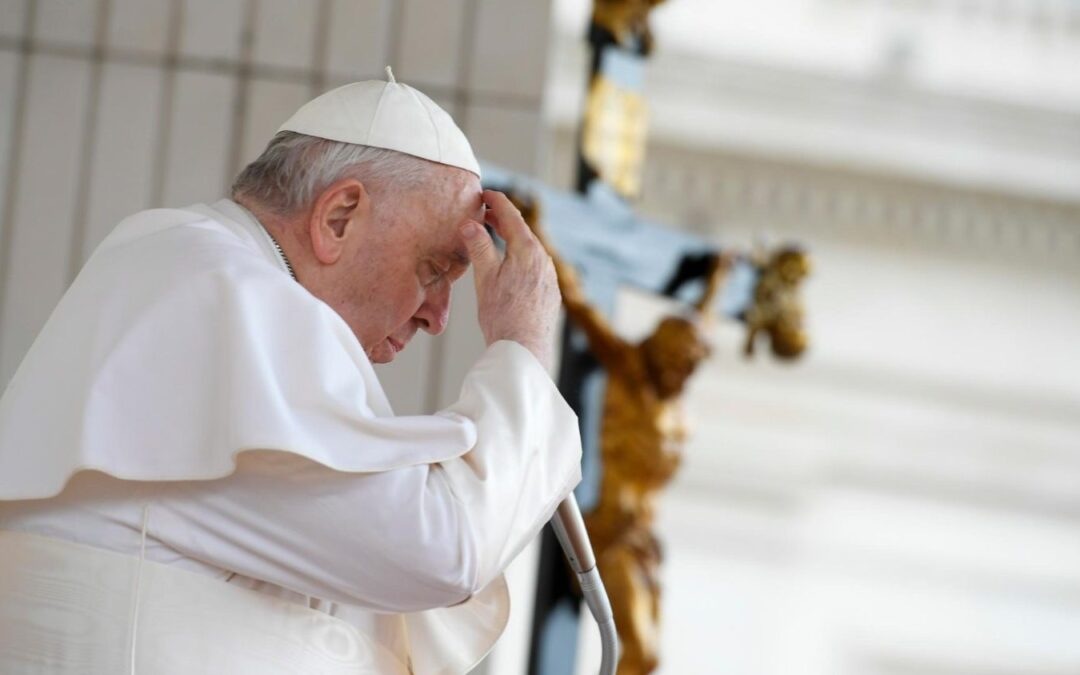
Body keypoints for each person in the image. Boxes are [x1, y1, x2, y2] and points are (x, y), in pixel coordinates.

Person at [0, 71, 583, 674]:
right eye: (435, 269)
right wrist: (523, 347)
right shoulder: (220, 288)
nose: (438, 317)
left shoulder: (202, 271)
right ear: (338, 217)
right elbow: (440, 552)